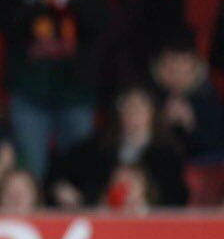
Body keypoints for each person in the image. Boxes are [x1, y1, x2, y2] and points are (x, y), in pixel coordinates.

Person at [0, 0, 104, 179]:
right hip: (29, 90)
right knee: (32, 173)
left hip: (75, 92)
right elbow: (6, 24)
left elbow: (99, 25)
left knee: (77, 174)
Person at [49, 87, 188, 208]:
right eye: (127, 106)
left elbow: (176, 198)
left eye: (140, 106)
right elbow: (59, 174)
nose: (133, 112)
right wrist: (65, 191)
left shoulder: (167, 152)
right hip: (102, 221)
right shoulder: (99, 146)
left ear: (153, 111)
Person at [150, 34, 224, 162]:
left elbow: (215, 144)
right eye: (171, 62)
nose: (176, 69)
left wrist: (190, 124)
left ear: (193, 65)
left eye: (182, 62)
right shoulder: (154, 94)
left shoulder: (207, 95)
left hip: (201, 166)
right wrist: (162, 121)